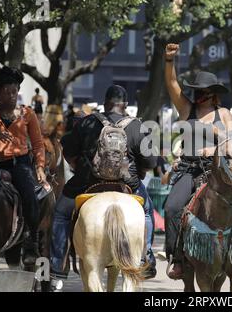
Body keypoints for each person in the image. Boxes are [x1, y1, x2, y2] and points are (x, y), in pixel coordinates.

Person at [163, 43, 232, 280]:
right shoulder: (186, 108)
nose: (198, 95)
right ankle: (177, 257)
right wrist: (169, 61)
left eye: (203, 91)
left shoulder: (225, 114)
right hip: (190, 170)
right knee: (171, 207)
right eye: (196, 91)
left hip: (218, 170)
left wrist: (216, 142)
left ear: (212, 93)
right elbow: (172, 84)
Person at [49, 85, 158, 288]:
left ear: (106, 103)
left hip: (88, 183)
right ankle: (146, 257)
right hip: (128, 185)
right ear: (125, 105)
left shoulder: (88, 122)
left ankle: (56, 268)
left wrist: (80, 166)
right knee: (146, 212)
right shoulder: (138, 126)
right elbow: (151, 163)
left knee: (61, 214)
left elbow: (68, 149)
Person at [0, 66, 48, 265]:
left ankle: (31, 242)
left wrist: (39, 166)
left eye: (14, 91)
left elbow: (38, 144)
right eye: (6, 92)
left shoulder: (27, 114)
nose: (11, 96)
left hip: (18, 164)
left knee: (30, 195)